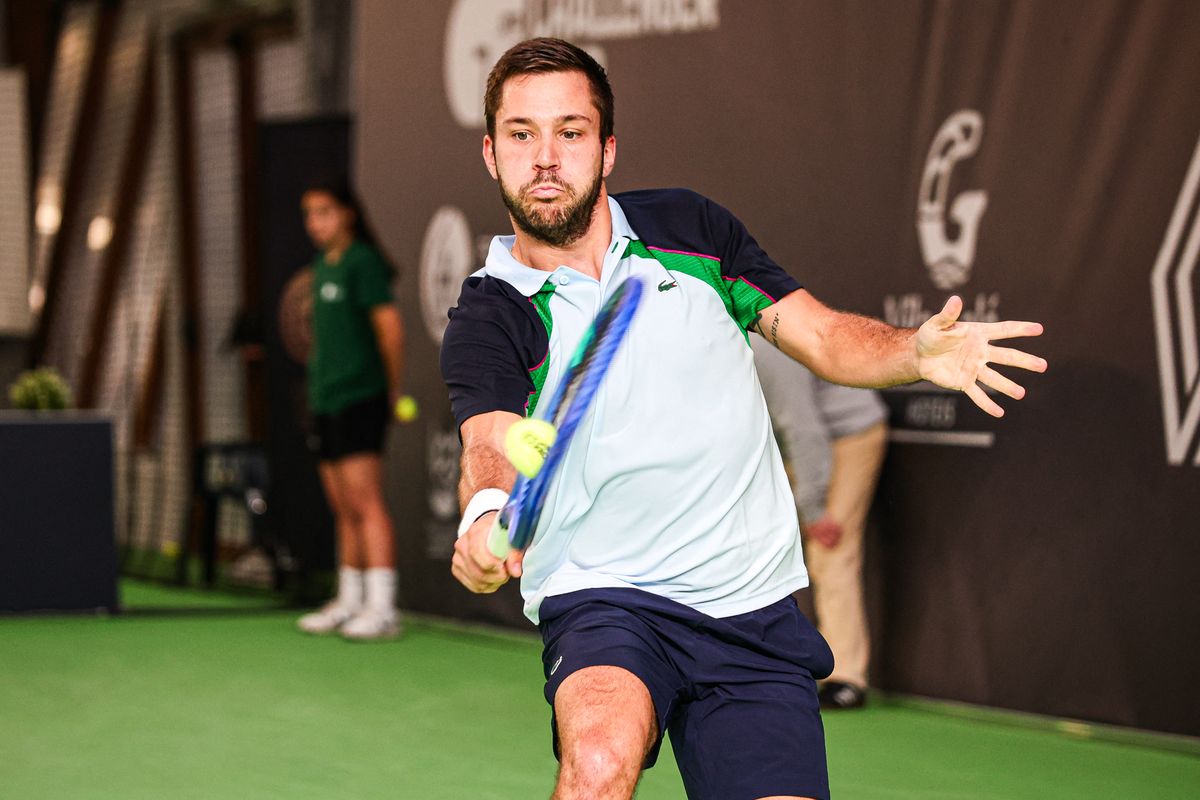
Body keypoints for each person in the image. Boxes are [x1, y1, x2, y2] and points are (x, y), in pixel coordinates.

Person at [442, 38, 1046, 800]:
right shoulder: (490, 315)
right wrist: (486, 513)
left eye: (571, 131)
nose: (548, 157)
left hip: (746, 605)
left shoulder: (692, 230)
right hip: (605, 596)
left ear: (608, 148)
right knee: (596, 762)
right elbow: (489, 437)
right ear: (492, 154)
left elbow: (823, 337)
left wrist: (914, 353)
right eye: (523, 135)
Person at [295, 177, 407, 641]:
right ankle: (350, 599)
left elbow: (390, 330)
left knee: (366, 503)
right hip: (325, 398)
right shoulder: (323, 264)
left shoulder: (363, 263)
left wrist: (392, 392)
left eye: (324, 212)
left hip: (361, 397)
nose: (315, 224)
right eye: (309, 214)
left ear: (348, 214)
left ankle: (382, 608)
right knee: (341, 506)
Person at [752, 336, 889, 710]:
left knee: (831, 550)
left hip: (845, 436)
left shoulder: (762, 349)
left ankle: (846, 678)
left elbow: (803, 427)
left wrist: (815, 510)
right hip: (796, 444)